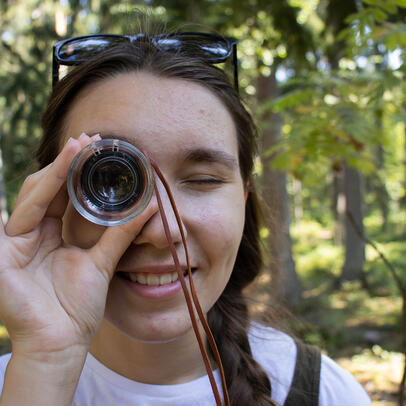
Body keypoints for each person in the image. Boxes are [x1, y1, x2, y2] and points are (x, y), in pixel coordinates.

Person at [0, 32, 371, 406]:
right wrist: (45, 363)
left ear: (243, 198)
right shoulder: (16, 387)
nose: (161, 232)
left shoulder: (324, 393)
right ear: (51, 197)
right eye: (109, 180)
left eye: (203, 180)